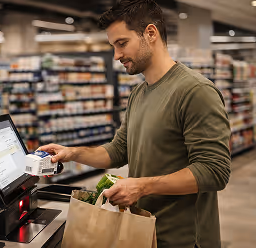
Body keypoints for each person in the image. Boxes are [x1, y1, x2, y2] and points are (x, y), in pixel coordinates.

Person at [39, 0, 231, 247]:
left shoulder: (195, 91)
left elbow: (215, 171)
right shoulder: (138, 93)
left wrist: (142, 186)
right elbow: (119, 150)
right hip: (142, 231)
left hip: (183, 238)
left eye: (122, 43)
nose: (117, 55)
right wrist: (73, 153)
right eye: (113, 46)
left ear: (150, 33)